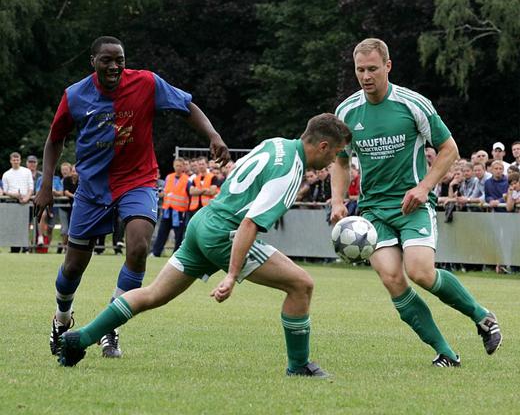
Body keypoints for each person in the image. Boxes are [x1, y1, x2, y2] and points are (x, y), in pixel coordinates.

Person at [56, 113, 350, 376]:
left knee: (154, 294)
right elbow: (249, 224)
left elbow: (235, 178)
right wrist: (232, 276)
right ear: (323, 146)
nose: (334, 161)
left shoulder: (276, 144)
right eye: (336, 153)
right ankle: (299, 365)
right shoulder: (291, 172)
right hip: (224, 233)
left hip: (203, 221)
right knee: (302, 285)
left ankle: (77, 340)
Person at [34, 35, 230, 359]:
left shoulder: (146, 83)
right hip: (93, 188)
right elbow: (55, 140)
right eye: (106, 60)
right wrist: (45, 185)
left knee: (138, 247)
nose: (114, 66)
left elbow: (187, 106)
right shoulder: (74, 96)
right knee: (73, 266)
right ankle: (62, 319)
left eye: (119, 60)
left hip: (137, 181)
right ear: (93, 62)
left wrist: (213, 135)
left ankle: (109, 328)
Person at [331, 38, 502, 367]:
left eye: (372, 69)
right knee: (393, 279)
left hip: (413, 205)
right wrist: (338, 199)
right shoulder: (347, 112)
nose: (366, 76)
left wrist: (424, 187)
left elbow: (449, 149)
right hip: (373, 212)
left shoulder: (413, 104)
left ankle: (483, 318)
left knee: (420, 272)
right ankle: (446, 354)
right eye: (360, 70)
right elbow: (340, 161)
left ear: (388, 67)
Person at [151, 157, 190, 257]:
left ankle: (176, 254)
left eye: (180, 166)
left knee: (179, 235)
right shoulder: (169, 177)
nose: (178, 167)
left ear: (183, 167)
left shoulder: (187, 180)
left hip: (179, 211)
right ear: (173, 166)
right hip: (167, 210)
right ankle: (156, 252)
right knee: (162, 232)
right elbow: (165, 191)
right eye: (177, 165)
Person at [2, 152, 34, 253]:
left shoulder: (27, 171)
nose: (16, 161)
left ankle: (25, 247)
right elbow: (5, 191)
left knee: (25, 225)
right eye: (14, 160)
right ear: (11, 161)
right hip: (12, 202)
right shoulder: (6, 174)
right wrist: (14, 195)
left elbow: (31, 187)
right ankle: (14, 249)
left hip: (26, 202)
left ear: (20, 160)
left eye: (17, 159)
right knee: (14, 226)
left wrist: (26, 198)